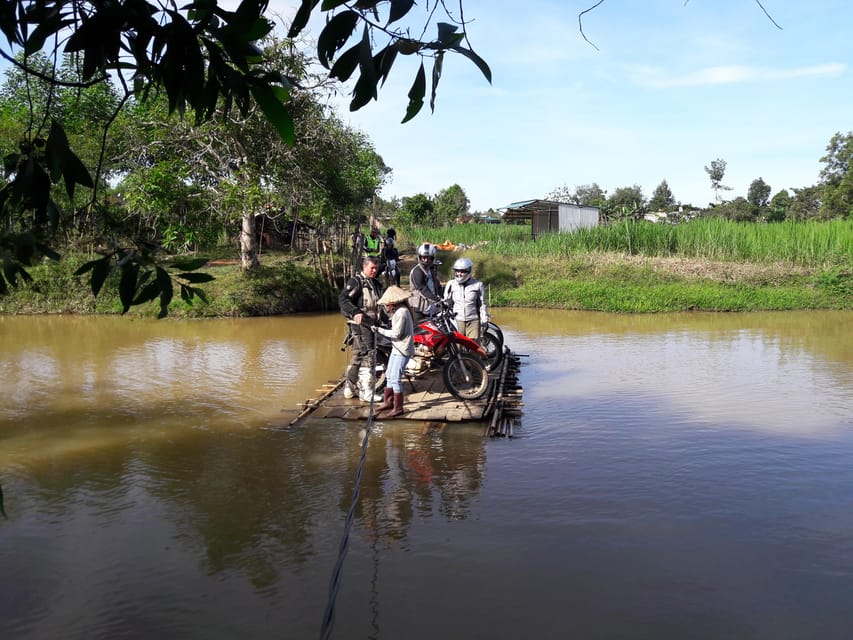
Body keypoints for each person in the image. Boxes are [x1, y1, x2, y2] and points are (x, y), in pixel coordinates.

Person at [338, 255, 385, 402]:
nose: (374, 270)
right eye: (372, 268)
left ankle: (349, 387)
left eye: (376, 268)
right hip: (360, 327)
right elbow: (343, 299)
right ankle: (367, 392)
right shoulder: (356, 282)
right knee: (368, 356)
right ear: (364, 267)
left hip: (372, 325)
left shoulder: (376, 283)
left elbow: (380, 304)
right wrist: (355, 312)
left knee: (357, 358)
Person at [372, 285, 414, 418]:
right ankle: (388, 402)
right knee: (389, 374)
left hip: (403, 349)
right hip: (397, 347)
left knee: (395, 378)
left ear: (392, 303)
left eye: (386, 304)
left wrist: (379, 330)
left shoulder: (401, 312)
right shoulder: (399, 311)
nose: (386, 307)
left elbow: (396, 333)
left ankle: (398, 407)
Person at [443, 257, 489, 341]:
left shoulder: (478, 285)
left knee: (474, 348)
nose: (459, 274)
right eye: (457, 271)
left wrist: (484, 316)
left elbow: (482, 303)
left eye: (462, 271)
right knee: (458, 347)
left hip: (473, 321)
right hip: (457, 321)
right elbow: (447, 303)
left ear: (469, 271)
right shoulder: (451, 284)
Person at [408, 242, 442, 324]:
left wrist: (443, 296)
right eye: (424, 257)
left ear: (432, 258)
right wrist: (437, 300)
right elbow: (422, 289)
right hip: (419, 308)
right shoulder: (417, 271)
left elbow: (437, 286)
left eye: (428, 258)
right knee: (420, 333)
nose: (426, 260)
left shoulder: (431, 270)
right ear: (420, 257)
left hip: (430, 307)